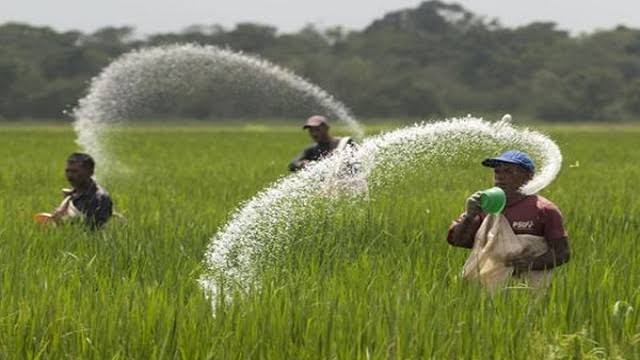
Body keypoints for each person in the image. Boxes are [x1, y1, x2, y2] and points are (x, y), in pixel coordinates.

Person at [447, 150, 570, 288]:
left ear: (529, 177)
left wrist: (530, 263)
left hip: (528, 290)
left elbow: (562, 253)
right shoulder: (484, 206)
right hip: (486, 291)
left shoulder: (544, 210)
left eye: (509, 172)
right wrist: (469, 216)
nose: (500, 177)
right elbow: (458, 241)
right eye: (497, 172)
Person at [49, 153, 113, 229]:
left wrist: (60, 222)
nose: (69, 176)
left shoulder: (99, 198)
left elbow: (93, 232)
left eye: (75, 171)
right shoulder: (72, 194)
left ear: (90, 173)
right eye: (67, 171)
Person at [288, 115, 354, 172]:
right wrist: (302, 164)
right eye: (311, 130)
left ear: (326, 128)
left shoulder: (344, 143)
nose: (314, 134)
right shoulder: (312, 149)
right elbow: (292, 164)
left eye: (317, 129)